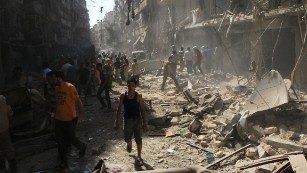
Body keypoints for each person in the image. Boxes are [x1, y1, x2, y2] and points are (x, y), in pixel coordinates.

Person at [50, 71, 86, 168]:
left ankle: (83, 147)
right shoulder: (56, 89)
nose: (52, 80)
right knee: (60, 140)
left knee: (71, 139)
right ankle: (63, 162)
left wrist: (81, 115)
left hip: (70, 119)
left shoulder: (70, 87)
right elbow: (57, 103)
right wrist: (53, 115)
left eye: (54, 78)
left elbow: (78, 102)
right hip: (58, 119)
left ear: (59, 78)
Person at [114, 77, 148, 163]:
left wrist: (144, 123)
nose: (131, 88)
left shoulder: (139, 96)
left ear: (135, 86)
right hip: (127, 120)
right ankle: (129, 142)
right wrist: (116, 121)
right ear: (127, 86)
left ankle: (139, 156)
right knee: (126, 138)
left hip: (137, 120)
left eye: (132, 86)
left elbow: (142, 110)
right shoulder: (123, 95)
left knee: (138, 138)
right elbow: (119, 108)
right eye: (129, 86)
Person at [0, 95, 17, 173]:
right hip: (4, 128)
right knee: (8, 147)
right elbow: (9, 111)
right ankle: (13, 168)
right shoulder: (2, 98)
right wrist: (11, 121)